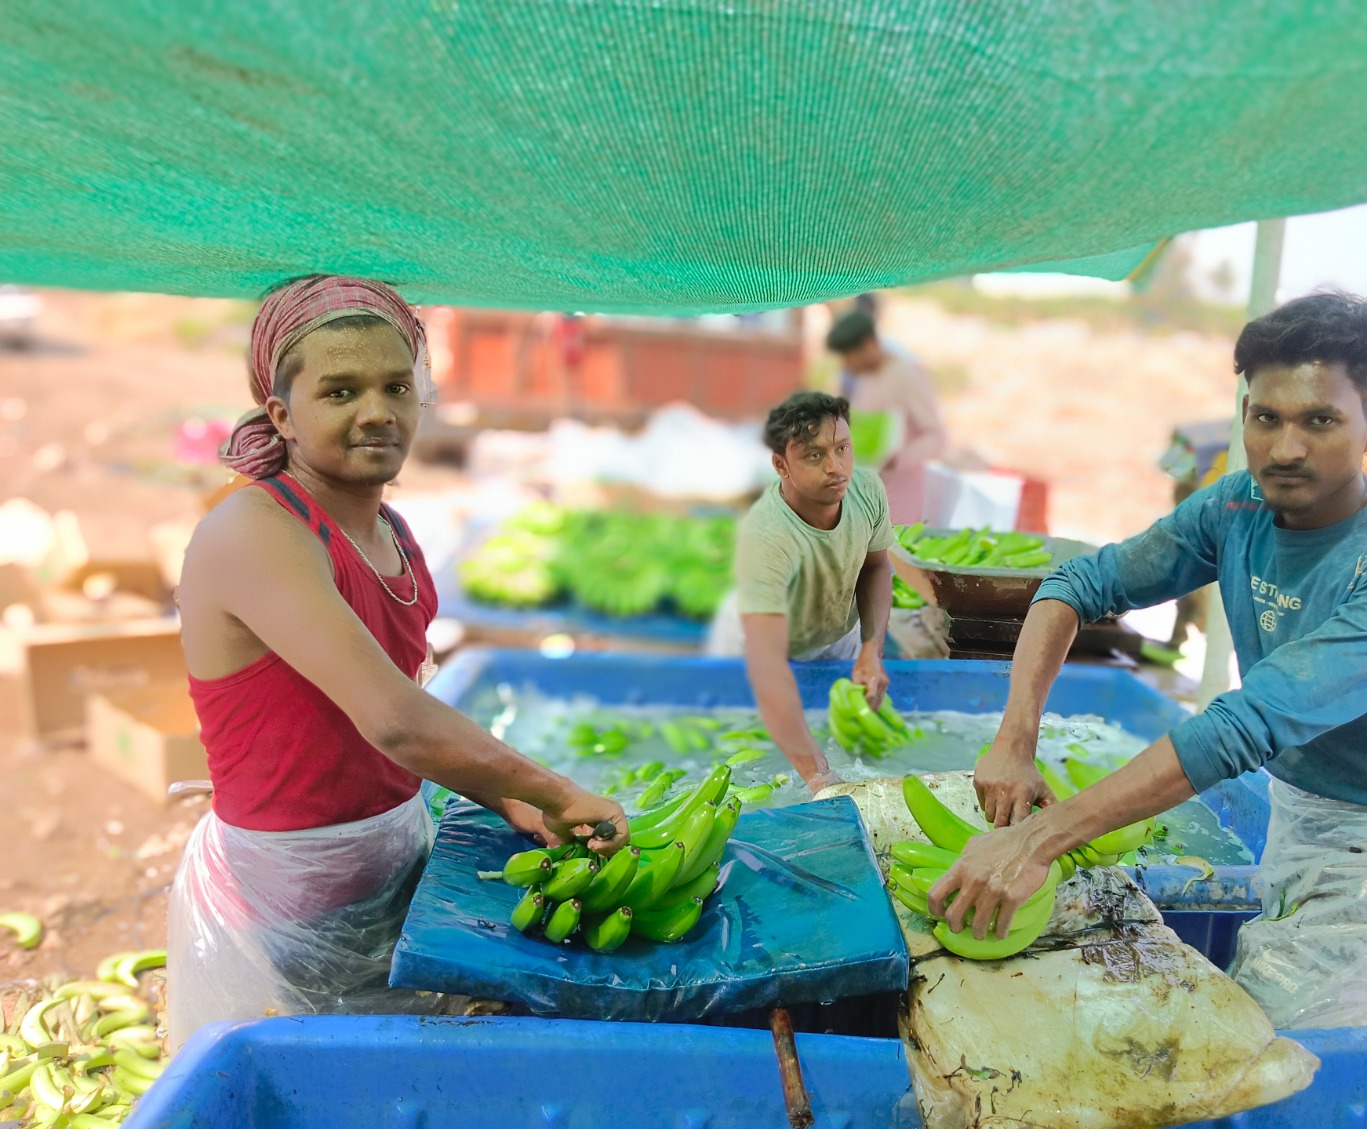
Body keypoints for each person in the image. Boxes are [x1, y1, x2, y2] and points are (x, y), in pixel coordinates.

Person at [929, 292, 1367, 1029]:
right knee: (1261, 1026)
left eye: (1320, 420)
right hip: (1298, 806)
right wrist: (1015, 737)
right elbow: (1075, 584)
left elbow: (1245, 725)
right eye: (1265, 418)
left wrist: (1038, 837)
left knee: (1295, 1056)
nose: (1285, 449)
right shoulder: (1236, 508)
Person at [168, 274, 627, 1045]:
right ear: (281, 413)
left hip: (388, 848)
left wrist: (507, 797)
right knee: (358, 1075)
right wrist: (552, 788)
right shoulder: (254, 532)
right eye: (340, 391)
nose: (376, 411)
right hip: (296, 892)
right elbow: (394, 721)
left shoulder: (395, 533)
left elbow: (391, 721)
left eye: (395, 386)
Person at [706, 392, 896, 793]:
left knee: (841, 737)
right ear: (781, 466)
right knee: (736, 748)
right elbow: (768, 669)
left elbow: (876, 567)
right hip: (759, 640)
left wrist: (870, 649)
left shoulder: (866, 490)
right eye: (813, 456)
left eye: (842, 449)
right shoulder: (768, 537)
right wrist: (819, 777)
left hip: (834, 626)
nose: (836, 468)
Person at [825, 310, 947, 524]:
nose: (846, 364)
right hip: (867, 490)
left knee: (891, 554)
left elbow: (936, 436)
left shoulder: (906, 374)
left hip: (900, 494)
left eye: (848, 356)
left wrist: (897, 459)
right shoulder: (865, 377)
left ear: (868, 344)